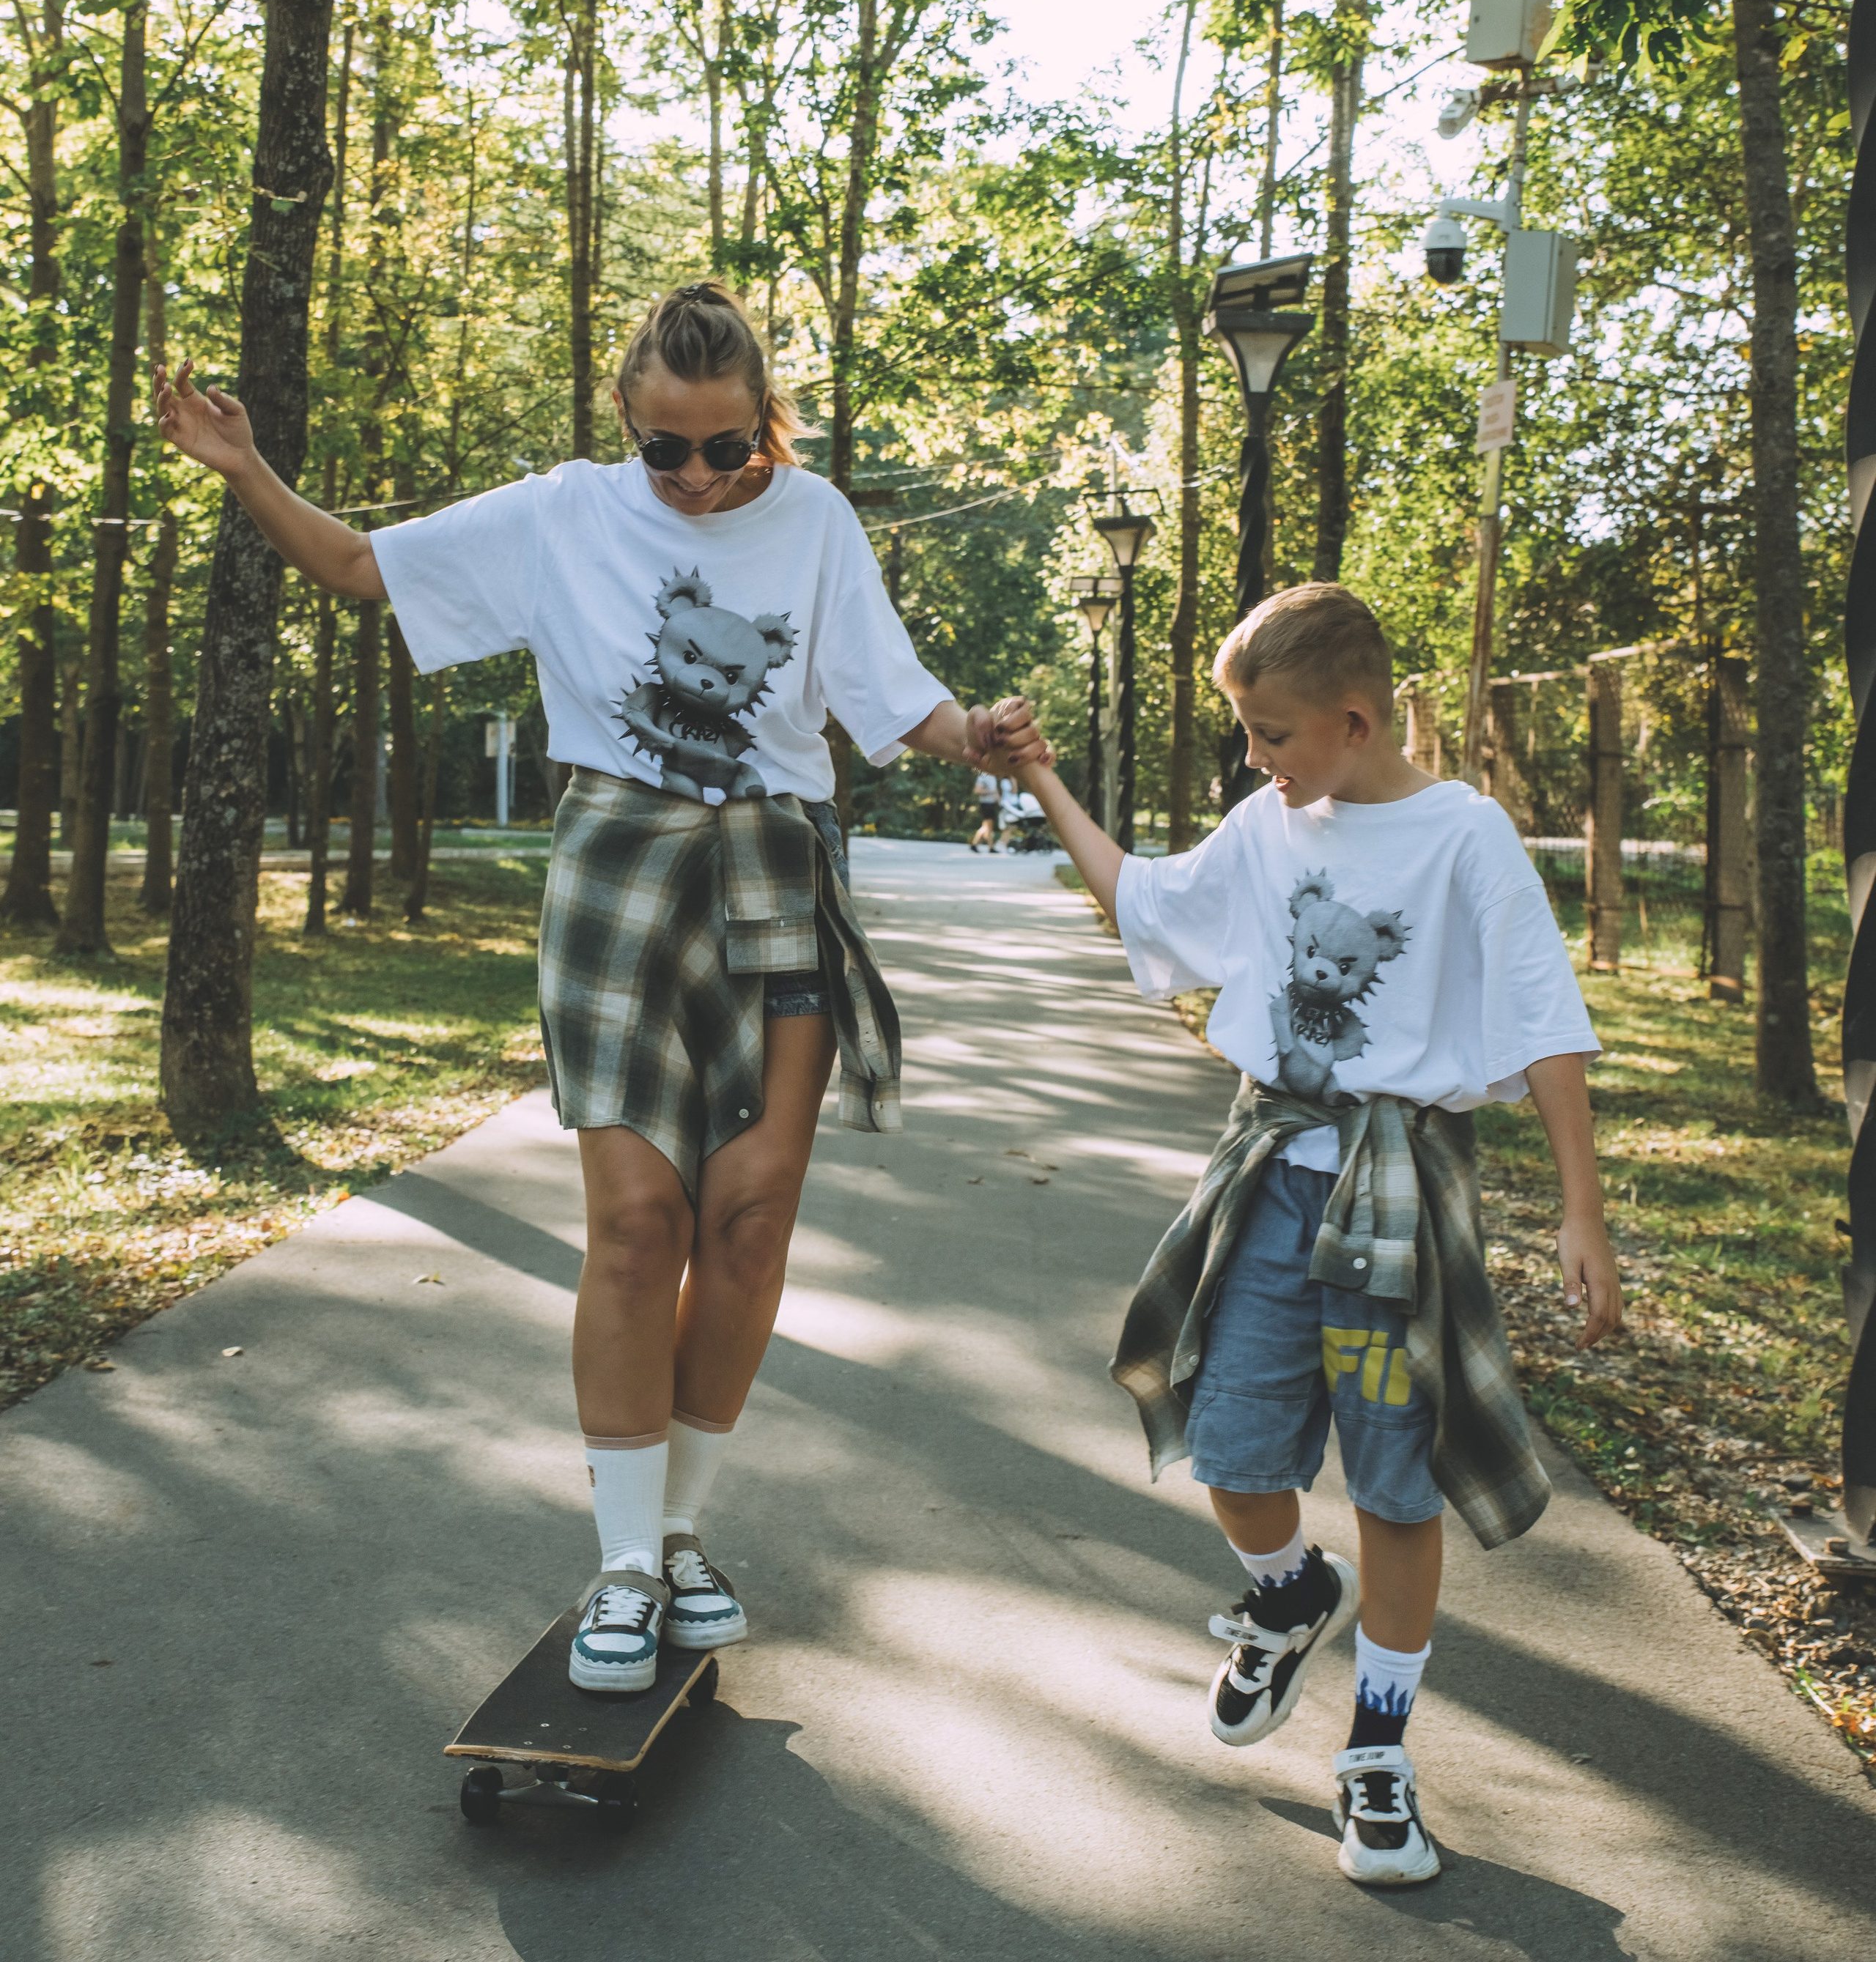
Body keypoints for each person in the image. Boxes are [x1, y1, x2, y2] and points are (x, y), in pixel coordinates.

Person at [154, 280, 1041, 1695]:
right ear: (625, 417)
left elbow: (889, 696)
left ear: (767, 426)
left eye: (729, 448)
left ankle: (682, 1536)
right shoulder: (562, 512)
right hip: (619, 860)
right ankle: (622, 1565)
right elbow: (365, 570)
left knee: (746, 1226)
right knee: (638, 1226)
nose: (697, 478)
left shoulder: (814, 522)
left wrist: (981, 737)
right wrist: (249, 468)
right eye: (667, 448)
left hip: (776, 866)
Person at [1001, 581, 1621, 1890]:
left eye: (1271, 734)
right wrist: (1052, 783)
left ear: (1352, 718)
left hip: (1398, 1196)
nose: (1254, 759)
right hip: (1273, 1167)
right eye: (1245, 735)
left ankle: (1378, 1752)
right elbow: (1151, 906)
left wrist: (1582, 1210)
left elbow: (1548, 1021)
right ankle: (1287, 1595)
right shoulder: (1269, 823)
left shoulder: (1465, 837)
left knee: (1396, 1481)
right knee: (1226, 1437)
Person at [969, 769, 1001, 854]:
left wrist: (999, 802)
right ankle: (988, 847)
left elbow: (995, 791)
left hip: (992, 804)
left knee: (988, 826)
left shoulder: (993, 776)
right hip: (986, 804)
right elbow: (977, 790)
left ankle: (981, 845)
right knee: (987, 826)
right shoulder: (983, 776)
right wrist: (991, 792)